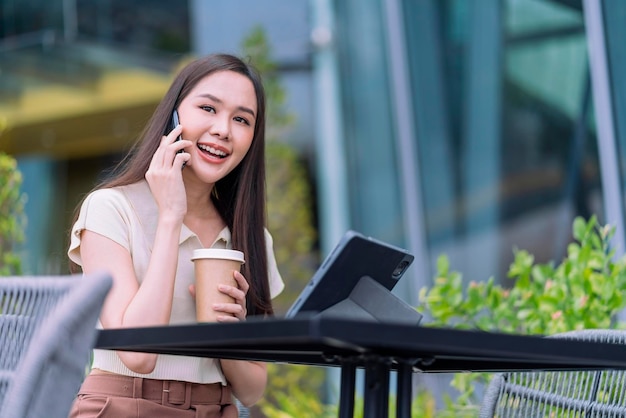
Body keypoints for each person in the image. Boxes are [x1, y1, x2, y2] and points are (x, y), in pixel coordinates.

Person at [67, 53, 285, 418]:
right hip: (123, 406)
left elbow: (252, 390)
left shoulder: (252, 238)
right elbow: (137, 354)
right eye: (208, 108)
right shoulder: (110, 209)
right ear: (174, 116)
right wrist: (171, 216)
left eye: (241, 119)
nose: (223, 130)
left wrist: (224, 334)